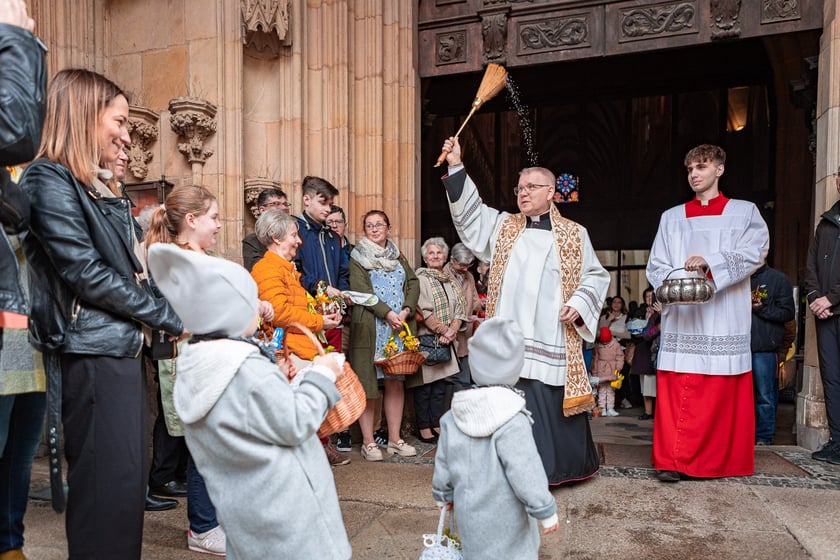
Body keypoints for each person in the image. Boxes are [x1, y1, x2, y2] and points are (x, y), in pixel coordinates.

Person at [20, 69, 184, 558]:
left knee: (124, 490)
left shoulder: (92, 187)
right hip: (91, 352)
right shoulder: (47, 177)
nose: (127, 136)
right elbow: (86, 273)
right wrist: (169, 317)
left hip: (118, 349)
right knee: (104, 494)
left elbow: (130, 269)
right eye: (120, 121)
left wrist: (108, 188)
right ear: (84, 115)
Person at [147, 243, 352, 560]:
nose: (258, 308)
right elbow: (295, 422)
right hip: (287, 518)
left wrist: (275, 378)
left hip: (247, 516)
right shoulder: (245, 367)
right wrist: (322, 375)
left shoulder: (201, 362)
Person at [440, 136, 609, 486]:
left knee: (547, 400)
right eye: (520, 188)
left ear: (551, 192)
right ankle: (506, 470)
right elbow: (471, 217)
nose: (523, 193)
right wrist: (456, 166)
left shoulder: (574, 234)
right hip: (510, 336)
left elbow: (595, 275)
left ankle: (555, 470)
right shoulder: (503, 226)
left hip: (551, 333)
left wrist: (578, 304)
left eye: (532, 186)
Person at [147, 184, 271, 554]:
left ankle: (220, 518)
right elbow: (186, 317)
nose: (218, 224)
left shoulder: (204, 256)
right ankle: (202, 528)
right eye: (213, 217)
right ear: (191, 219)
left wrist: (253, 306)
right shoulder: (176, 261)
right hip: (194, 362)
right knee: (205, 450)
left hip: (217, 359)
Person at [646, 144, 769, 482]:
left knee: (718, 390)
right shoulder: (671, 217)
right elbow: (656, 264)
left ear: (719, 169)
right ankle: (671, 461)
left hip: (723, 316)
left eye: (701, 166)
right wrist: (677, 286)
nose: (694, 174)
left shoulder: (744, 212)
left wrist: (711, 264)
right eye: (689, 169)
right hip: (682, 318)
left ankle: (714, 463)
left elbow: (757, 251)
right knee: (677, 389)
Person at [432, 317, 559, 559]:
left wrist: (442, 495)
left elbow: (444, 462)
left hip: (470, 518)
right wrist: (544, 509)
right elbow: (525, 469)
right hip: (509, 521)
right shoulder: (513, 418)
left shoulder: (453, 416)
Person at [250, 209, 348, 466]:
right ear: (276, 238)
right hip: (290, 355)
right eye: (294, 235)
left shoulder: (286, 270)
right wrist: (319, 322)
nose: (299, 241)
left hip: (300, 350)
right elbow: (280, 313)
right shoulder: (267, 268)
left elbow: (294, 309)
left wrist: (322, 316)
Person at [0, 3, 45, 559]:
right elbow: (16, 132)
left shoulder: (27, 176)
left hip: (28, 336)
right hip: (5, 331)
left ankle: (10, 542)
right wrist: (12, 37)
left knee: (19, 453)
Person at [347, 210, 419, 461]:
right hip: (372, 327)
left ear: (389, 227)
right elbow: (360, 291)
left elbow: (413, 283)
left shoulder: (398, 255)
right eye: (369, 225)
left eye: (379, 224)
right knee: (367, 385)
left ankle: (394, 439)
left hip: (398, 328)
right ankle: (368, 442)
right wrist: (387, 313)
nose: (375, 229)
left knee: (395, 381)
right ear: (364, 230)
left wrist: (406, 310)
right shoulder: (358, 256)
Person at [409, 237, 467, 444]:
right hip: (427, 340)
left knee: (440, 388)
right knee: (424, 389)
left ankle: (435, 423)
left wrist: (452, 330)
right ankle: (424, 427)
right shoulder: (420, 279)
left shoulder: (450, 280)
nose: (435, 256)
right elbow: (423, 311)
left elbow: (460, 309)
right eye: (431, 253)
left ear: (445, 257)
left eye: (439, 252)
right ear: (425, 258)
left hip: (446, 341)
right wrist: (445, 330)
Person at [804, 165, 840, 464]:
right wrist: (816, 297)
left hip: (834, 305)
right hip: (825, 314)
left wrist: (832, 298)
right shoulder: (826, 222)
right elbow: (811, 265)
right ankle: (837, 442)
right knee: (831, 379)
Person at [750, 264, 795, 445]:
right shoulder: (736, 279)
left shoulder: (778, 279)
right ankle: (741, 436)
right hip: (736, 349)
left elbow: (788, 313)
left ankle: (763, 438)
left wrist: (761, 308)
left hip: (765, 349)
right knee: (738, 398)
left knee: (765, 396)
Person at [327, 204, 357, 451]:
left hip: (355, 319)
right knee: (334, 374)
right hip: (331, 321)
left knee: (351, 376)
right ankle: (336, 430)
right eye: (329, 222)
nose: (334, 226)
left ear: (345, 224)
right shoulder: (322, 248)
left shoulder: (354, 251)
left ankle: (347, 428)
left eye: (338, 221)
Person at [442, 242, 483, 404]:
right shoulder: (442, 275)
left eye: (468, 265)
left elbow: (475, 300)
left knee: (465, 379)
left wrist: (473, 310)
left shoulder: (469, 276)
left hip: (465, 334)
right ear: (452, 260)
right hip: (449, 332)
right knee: (449, 379)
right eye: (461, 265)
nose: (465, 268)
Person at [630, 288, 661, 420]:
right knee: (645, 383)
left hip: (655, 350)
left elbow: (650, 333)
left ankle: (656, 412)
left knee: (655, 383)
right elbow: (633, 331)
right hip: (642, 350)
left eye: (652, 297)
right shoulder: (640, 311)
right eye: (647, 297)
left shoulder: (661, 313)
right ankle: (648, 411)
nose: (650, 299)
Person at [242, 187, 290, 272]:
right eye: (276, 204)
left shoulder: (296, 238)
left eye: (285, 204)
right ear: (262, 210)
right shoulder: (252, 242)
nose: (283, 208)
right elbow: (258, 270)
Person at [592, 327, 625, 417]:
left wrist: (618, 369)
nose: (605, 343)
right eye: (603, 342)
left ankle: (610, 408)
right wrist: (595, 372)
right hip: (601, 369)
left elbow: (620, 357)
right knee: (602, 390)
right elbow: (595, 359)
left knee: (611, 390)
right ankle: (602, 408)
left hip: (612, 370)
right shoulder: (597, 346)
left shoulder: (616, 345)